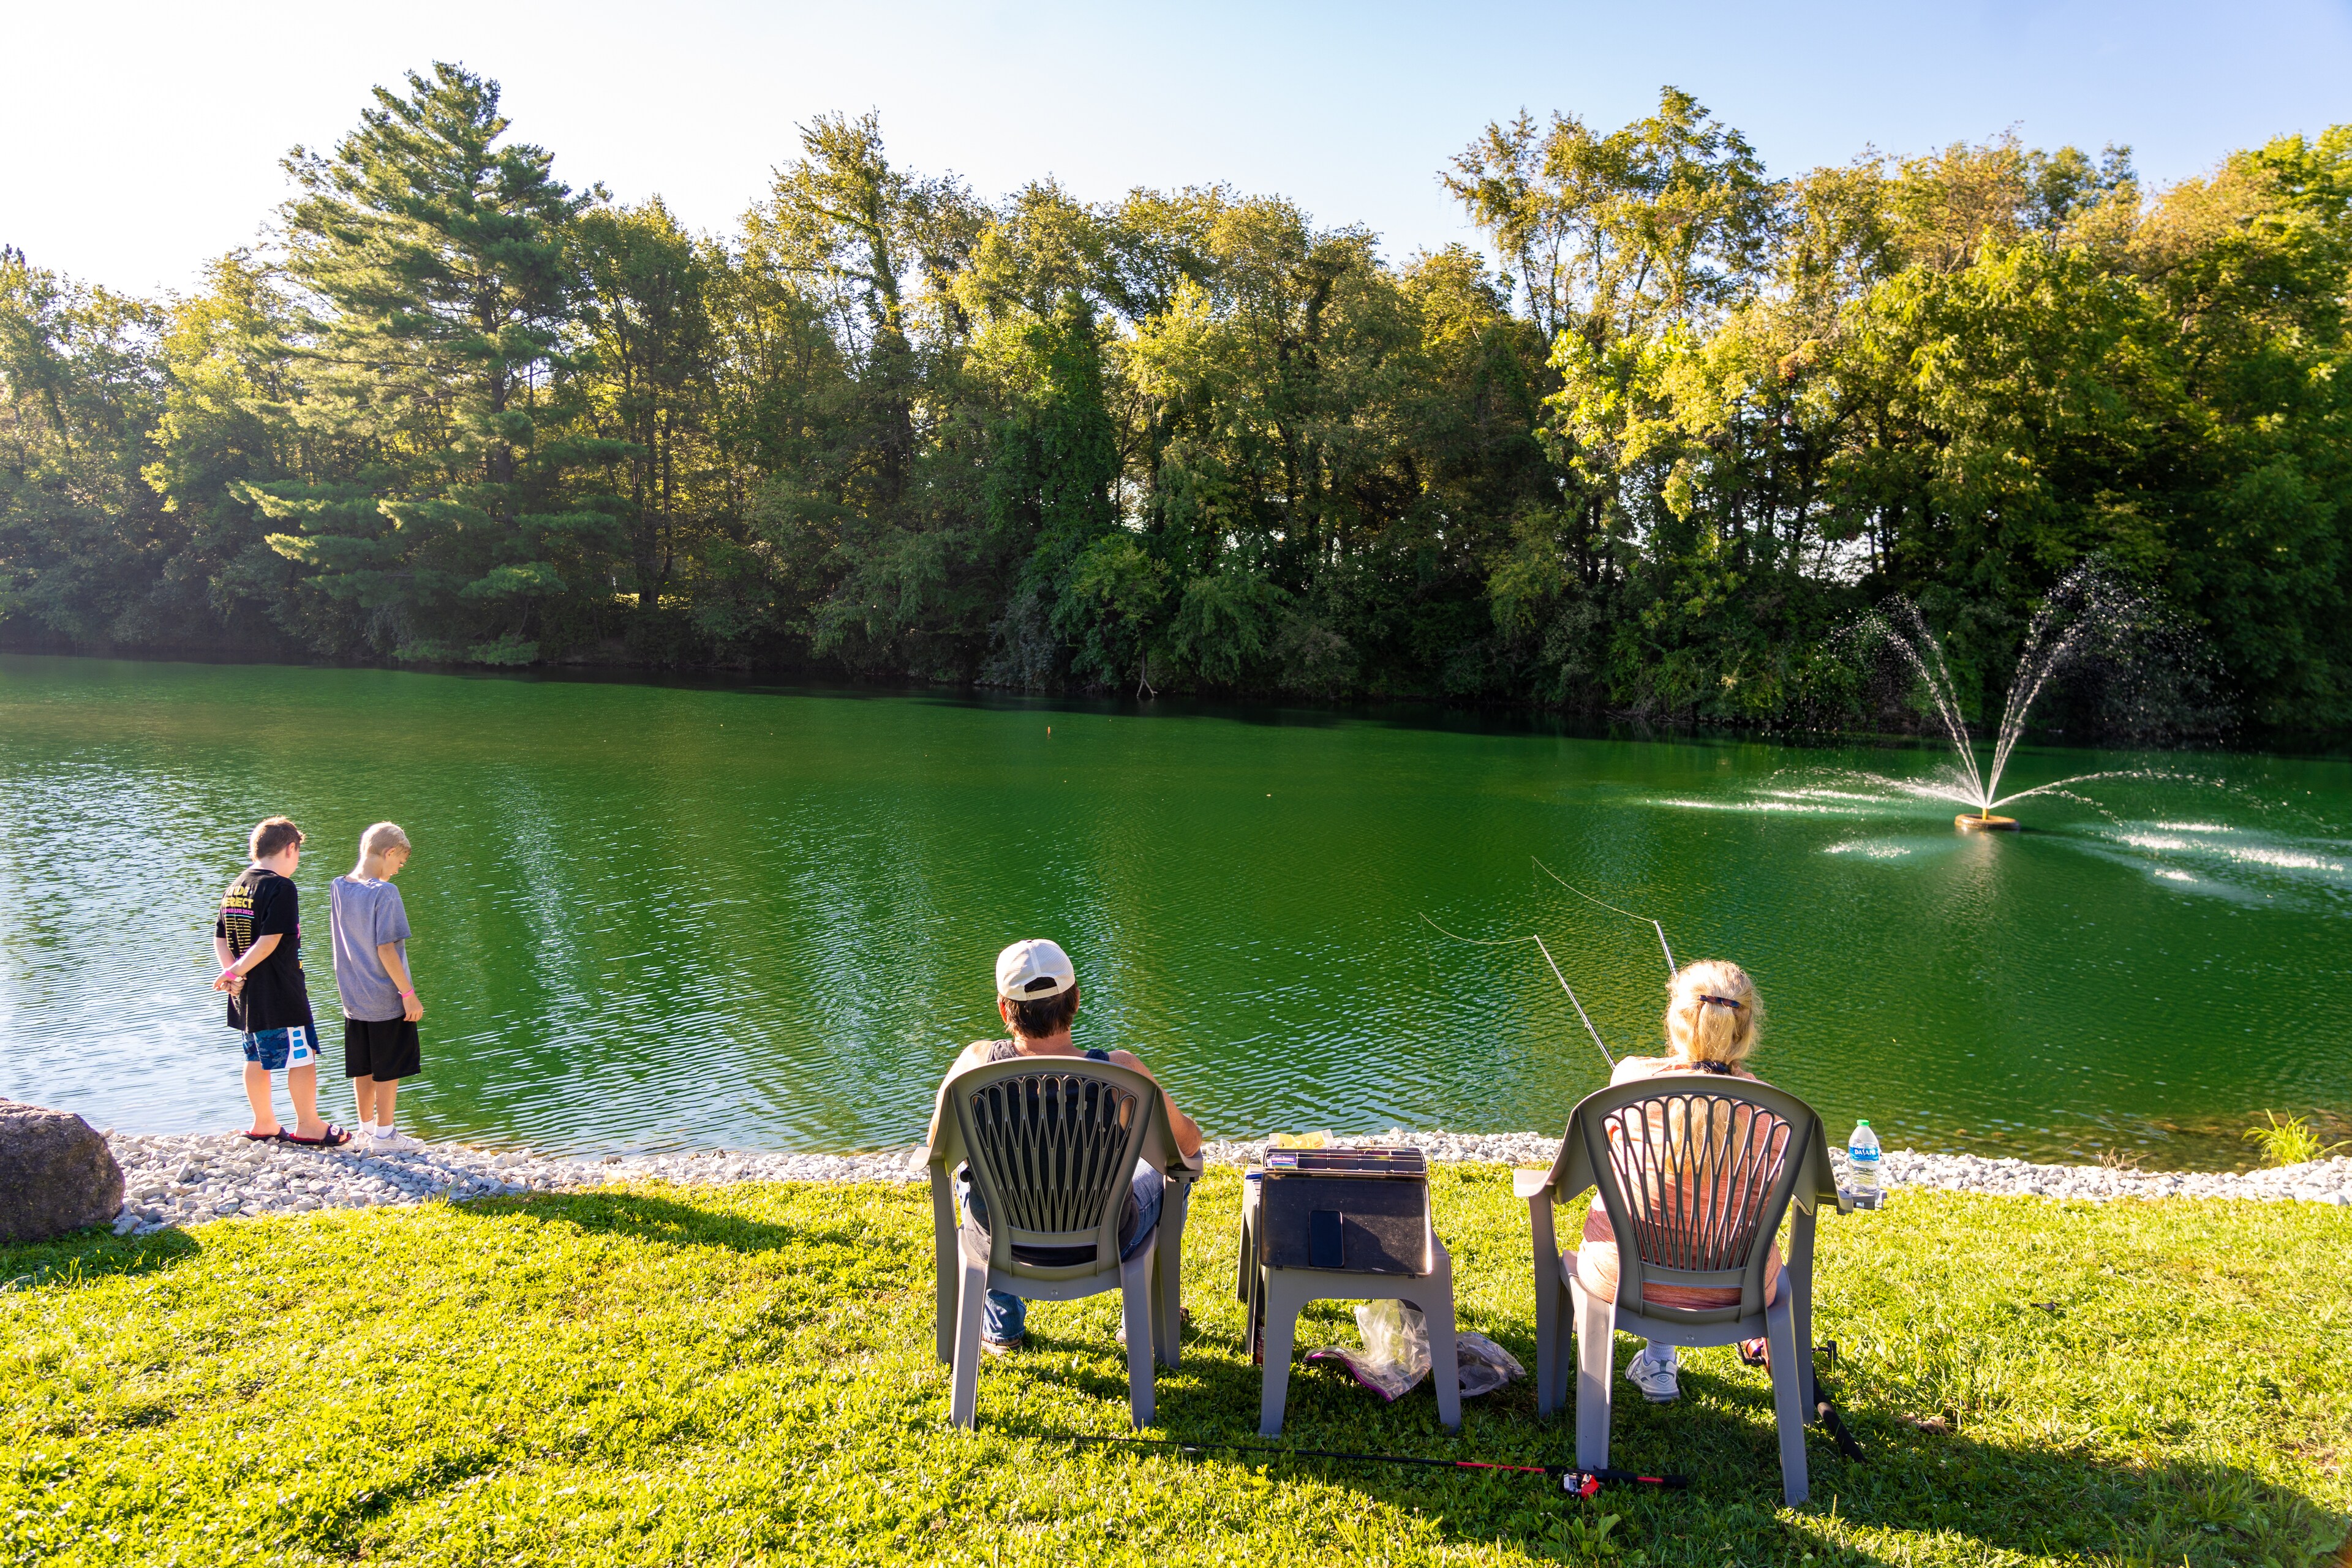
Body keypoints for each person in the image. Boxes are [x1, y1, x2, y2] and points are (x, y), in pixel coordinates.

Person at [928, 938, 1202, 1354]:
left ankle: (1003, 1329)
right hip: (1105, 1240)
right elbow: (1186, 1144)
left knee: (969, 1175)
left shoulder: (975, 1066)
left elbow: (936, 1149)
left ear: (1005, 1009)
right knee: (1179, 1170)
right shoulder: (1119, 1073)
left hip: (1002, 1243)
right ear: (1075, 1000)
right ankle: (1141, 1318)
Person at [1570, 958, 1784, 1405]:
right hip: (1738, 1287)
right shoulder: (1776, 1112)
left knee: (1656, 1222)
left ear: (1677, 1018)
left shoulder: (1631, 1078)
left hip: (1624, 1277)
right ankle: (1659, 1361)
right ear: (1745, 1027)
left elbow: (1581, 1172)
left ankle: (1656, 1359)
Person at [213, 816, 350, 1147]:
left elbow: (219, 938)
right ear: (291, 849)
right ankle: (309, 1125)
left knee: (256, 1057)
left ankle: (264, 1123)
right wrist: (233, 974)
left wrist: (235, 974)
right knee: (302, 1057)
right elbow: (270, 941)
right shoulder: (281, 887)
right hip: (279, 992)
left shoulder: (236, 885)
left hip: (244, 994)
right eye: (298, 853)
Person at [330, 821, 424, 1152]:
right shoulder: (385, 893)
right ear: (389, 852)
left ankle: (366, 1128)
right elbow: (387, 949)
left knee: (364, 1065)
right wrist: (409, 995)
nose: (398, 871)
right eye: (399, 864)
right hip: (385, 996)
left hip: (354, 996)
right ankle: (386, 1134)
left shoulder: (338, 886)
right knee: (388, 1066)